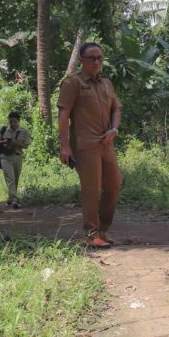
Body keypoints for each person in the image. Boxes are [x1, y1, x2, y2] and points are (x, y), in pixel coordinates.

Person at [57, 42, 123, 248]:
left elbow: (117, 108)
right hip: (85, 144)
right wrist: (65, 146)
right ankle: (92, 233)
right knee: (91, 189)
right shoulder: (72, 83)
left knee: (114, 184)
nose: (96, 62)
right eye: (92, 58)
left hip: (106, 143)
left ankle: (104, 230)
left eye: (100, 58)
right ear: (81, 61)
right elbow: (63, 114)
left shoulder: (106, 84)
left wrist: (114, 130)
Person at [0, 111, 31, 209]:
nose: (12, 124)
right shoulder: (3, 130)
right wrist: (4, 141)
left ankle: (10, 198)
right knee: (10, 178)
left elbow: (26, 145)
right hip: (5, 157)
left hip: (17, 156)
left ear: (18, 121)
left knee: (15, 179)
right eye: (11, 121)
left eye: (14, 121)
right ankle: (15, 199)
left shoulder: (24, 132)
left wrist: (15, 143)